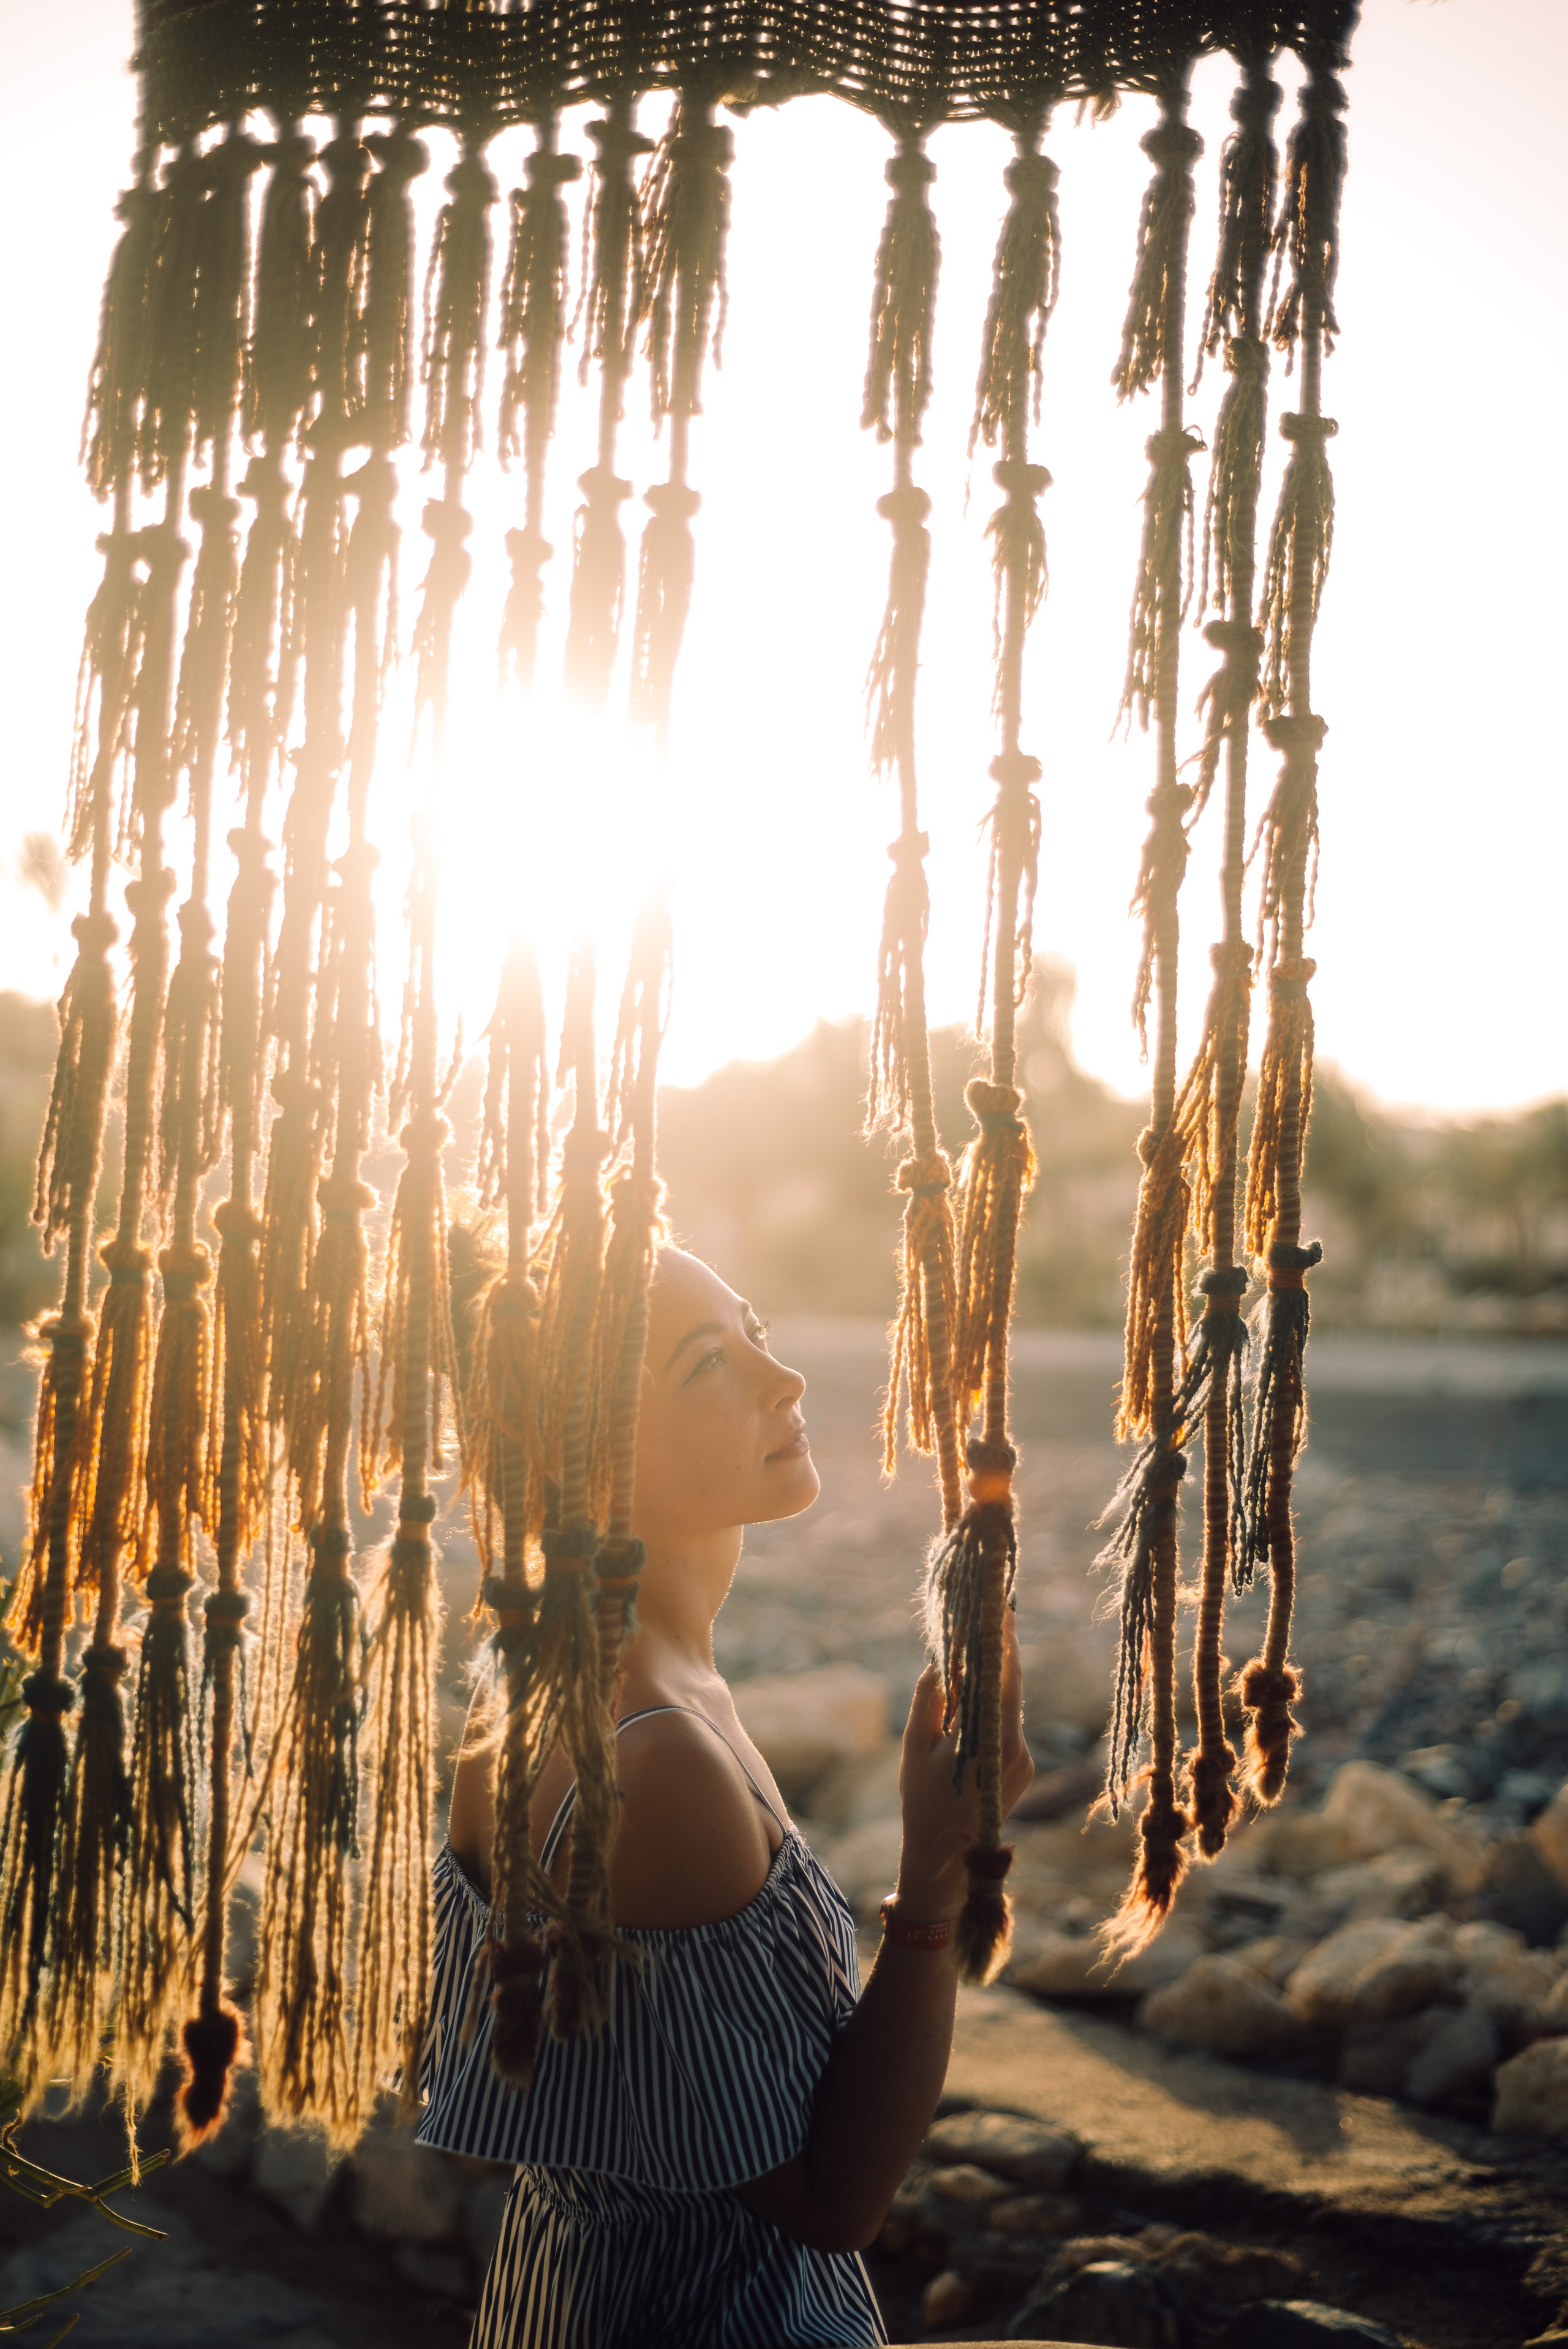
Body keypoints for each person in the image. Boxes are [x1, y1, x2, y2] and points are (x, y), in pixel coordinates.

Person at [420, 1247, 1034, 2348]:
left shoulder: (566, 1677)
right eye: (708, 1361)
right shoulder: (660, 1762)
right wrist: (936, 1874)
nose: (781, 1376)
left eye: (753, 1325)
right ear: (593, 1452)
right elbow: (833, 2201)